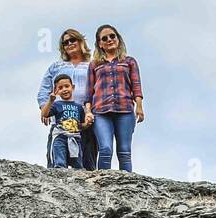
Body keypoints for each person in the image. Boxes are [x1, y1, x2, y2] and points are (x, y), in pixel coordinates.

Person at [36, 28, 96, 169]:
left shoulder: (92, 65)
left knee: (86, 160)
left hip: (84, 118)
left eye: (72, 40)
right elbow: (44, 89)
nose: (69, 43)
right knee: (57, 160)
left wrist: (90, 112)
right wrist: (44, 107)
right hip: (61, 118)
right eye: (65, 43)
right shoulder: (56, 66)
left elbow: (98, 89)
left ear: (81, 41)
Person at [87, 24, 144, 172]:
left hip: (125, 110)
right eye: (104, 38)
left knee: (124, 151)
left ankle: (127, 186)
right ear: (100, 44)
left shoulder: (129, 61)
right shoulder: (95, 64)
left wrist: (139, 106)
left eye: (112, 36)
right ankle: (101, 186)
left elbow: (136, 85)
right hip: (100, 111)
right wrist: (88, 111)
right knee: (105, 149)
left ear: (118, 39)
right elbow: (89, 91)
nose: (109, 39)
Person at [41, 75, 90, 169]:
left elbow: (80, 125)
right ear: (57, 91)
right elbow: (45, 114)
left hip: (75, 139)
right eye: (60, 88)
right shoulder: (56, 104)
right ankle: (59, 183)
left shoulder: (79, 107)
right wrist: (50, 101)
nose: (64, 89)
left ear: (73, 87)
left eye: (67, 86)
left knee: (78, 165)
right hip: (60, 138)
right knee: (60, 163)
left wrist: (87, 124)